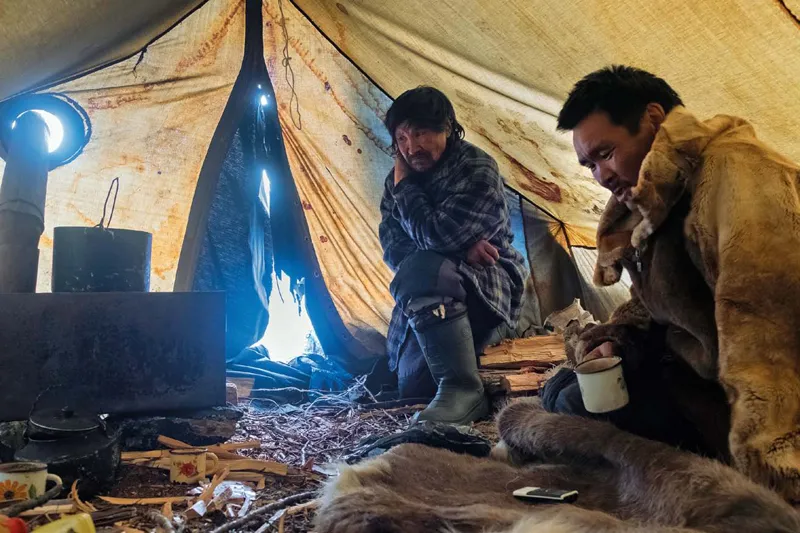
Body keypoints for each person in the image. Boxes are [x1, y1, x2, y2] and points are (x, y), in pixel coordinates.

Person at [543, 65, 800, 501]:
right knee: (564, 389)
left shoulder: (739, 180)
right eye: (589, 165)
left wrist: (775, 476)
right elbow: (656, 298)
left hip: (755, 400)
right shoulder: (661, 191)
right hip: (698, 372)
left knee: (572, 406)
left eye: (605, 153)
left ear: (655, 118)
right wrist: (617, 339)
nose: (600, 177)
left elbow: (767, 333)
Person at [379, 86, 527, 425]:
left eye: (420, 134)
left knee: (423, 271)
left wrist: (407, 193)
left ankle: (466, 390)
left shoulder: (476, 167)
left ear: (447, 127)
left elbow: (434, 235)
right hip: (434, 285)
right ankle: (455, 372)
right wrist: (462, 247)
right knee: (413, 385)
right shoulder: (396, 180)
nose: (411, 148)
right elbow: (393, 249)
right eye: (401, 139)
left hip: (488, 284)